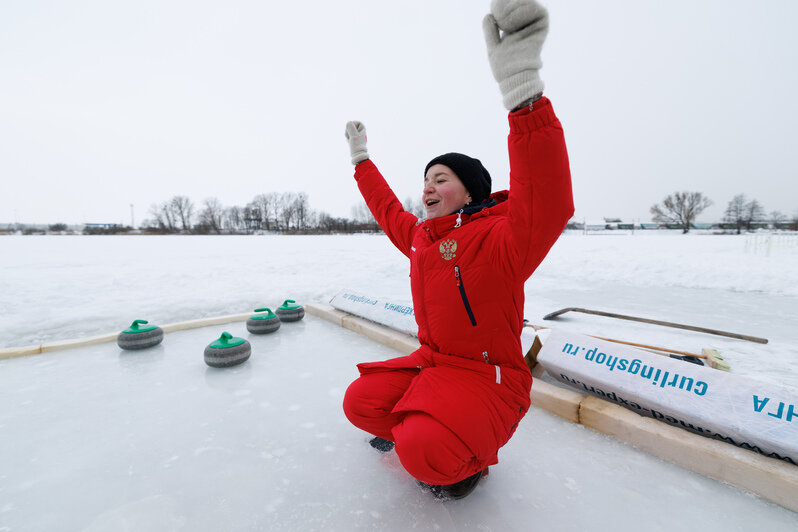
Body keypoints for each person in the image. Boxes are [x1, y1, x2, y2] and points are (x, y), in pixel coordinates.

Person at [342, 0, 574, 500]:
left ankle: (463, 463)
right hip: (434, 363)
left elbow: (549, 201)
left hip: (490, 378)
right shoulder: (423, 239)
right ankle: (420, 430)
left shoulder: (499, 238)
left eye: (440, 178)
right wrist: (362, 160)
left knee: (422, 450)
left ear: (469, 191)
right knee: (361, 402)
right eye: (425, 179)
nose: (427, 186)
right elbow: (387, 209)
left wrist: (523, 94)